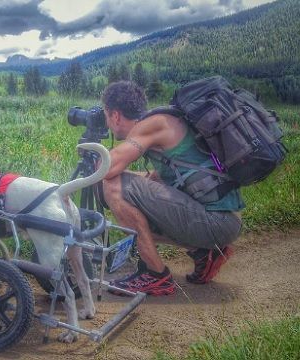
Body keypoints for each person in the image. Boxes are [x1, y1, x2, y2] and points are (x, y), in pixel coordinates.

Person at [101, 81, 244, 295]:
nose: (107, 123)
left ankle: (156, 275)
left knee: (112, 185)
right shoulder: (165, 122)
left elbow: (106, 169)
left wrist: (94, 152)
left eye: (105, 116)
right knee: (131, 197)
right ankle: (203, 252)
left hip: (216, 222)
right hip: (222, 220)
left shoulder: (152, 125)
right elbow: (158, 180)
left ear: (115, 115)